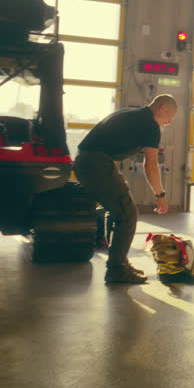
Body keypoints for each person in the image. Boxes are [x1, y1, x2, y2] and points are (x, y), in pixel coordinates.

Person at [74, 94, 177, 284]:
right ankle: (116, 270)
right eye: (169, 117)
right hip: (96, 164)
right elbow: (151, 165)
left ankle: (118, 263)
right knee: (127, 212)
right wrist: (160, 195)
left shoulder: (131, 113)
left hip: (87, 161)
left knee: (117, 210)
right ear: (162, 109)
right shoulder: (150, 125)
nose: (168, 122)